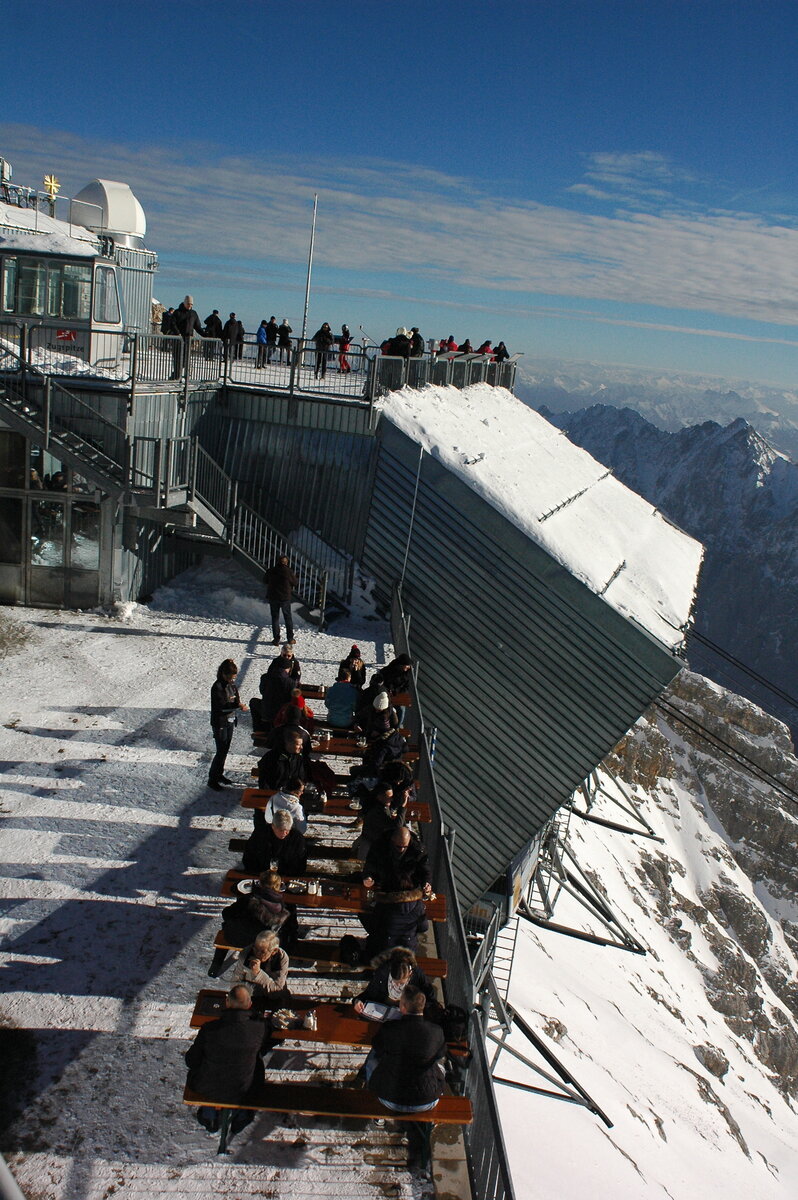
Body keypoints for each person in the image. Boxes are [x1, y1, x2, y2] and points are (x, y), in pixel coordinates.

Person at [364, 986, 446, 1173]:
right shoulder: (436, 1032)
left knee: (372, 1061)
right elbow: (441, 1054)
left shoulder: (390, 1029)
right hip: (426, 1101)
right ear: (423, 1008)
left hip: (389, 1099)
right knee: (439, 1066)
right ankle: (426, 1126)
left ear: (402, 1006)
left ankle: (378, 1115)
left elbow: (377, 1046)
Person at [184, 984, 270, 1134]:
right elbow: (265, 1046)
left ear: (227, 1003)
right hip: (243, 1088)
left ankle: (209, 1115)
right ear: (250, 1004)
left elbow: (191, 1060)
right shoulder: (259, 1028)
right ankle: (241, 1116)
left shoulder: (210, 1029)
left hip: (208, 1087)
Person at [354, 946, 438, 1016]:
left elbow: (430, 999)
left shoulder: (418, 976)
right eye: (394, 982)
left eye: (401, 983)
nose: (397, 986)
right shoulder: (382, 973)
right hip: (382, 1011)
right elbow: (369, 993)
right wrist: (358, 1001)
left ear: (410, 974)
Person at [209, 659, 248, 791]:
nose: (232, 680)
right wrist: (237, 705)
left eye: (234, 678)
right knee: (220, 751)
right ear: (224, 674)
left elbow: (236, 698)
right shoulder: (217, 687)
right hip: (220, 722)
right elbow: (221, 706)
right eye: (230, 677)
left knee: (225, 750)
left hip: (230, 720)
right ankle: (212, 779)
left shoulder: (231, 686)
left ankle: (219, 774)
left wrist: (237, 704)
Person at [364, 826, 431, 895]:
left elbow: (425, 871)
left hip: (408, 888)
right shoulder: (379, 846)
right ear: (392, 840)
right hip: (383, 885)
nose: (401, 849)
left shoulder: (418, 851)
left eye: (405, 847)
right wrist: (368, 877)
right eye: (398, 846)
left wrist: (426, 883)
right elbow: (370, 864)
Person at [232, 930, 290, 1008]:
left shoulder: (281, 958)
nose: (257, 954)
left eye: (262, 952)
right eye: (255, 948)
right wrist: (253, 989)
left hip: (274, 999)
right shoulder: (246, 954)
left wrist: (258, 974)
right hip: (249, 998)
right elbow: (235, 983)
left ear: (274, 951)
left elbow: (277, 991)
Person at [242, 807, 308, 875]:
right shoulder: (261, 835)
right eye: (281, 830)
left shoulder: (296, 838)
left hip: (286, 877)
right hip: (262, 875)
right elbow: (248, 858)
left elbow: (300, 864)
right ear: (273, 826)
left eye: (287, 830)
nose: (284, 833)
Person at [264, 555, 298, 646]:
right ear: (286, 562)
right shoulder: (289, 571)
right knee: (288, 618)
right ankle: (290, 638)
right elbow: (295, 583)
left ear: (277, 562)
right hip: (285, 598)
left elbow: (265, 580)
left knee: (275, 618)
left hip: (273, 597)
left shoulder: (271, 570)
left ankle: (276, 639)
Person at [171, 295, 203, 378]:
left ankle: (186, 376)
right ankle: (177, 376)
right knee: (178, 358)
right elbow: (172, 324)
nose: (190, 306)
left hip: (188, 339)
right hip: (178, 339)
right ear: (185, 303)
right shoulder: (177, 312)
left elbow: (198, 327)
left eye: (191, 304)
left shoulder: (193, 313)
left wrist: (206, 335)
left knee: (186, 358)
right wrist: (178, 333)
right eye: (188, 304)